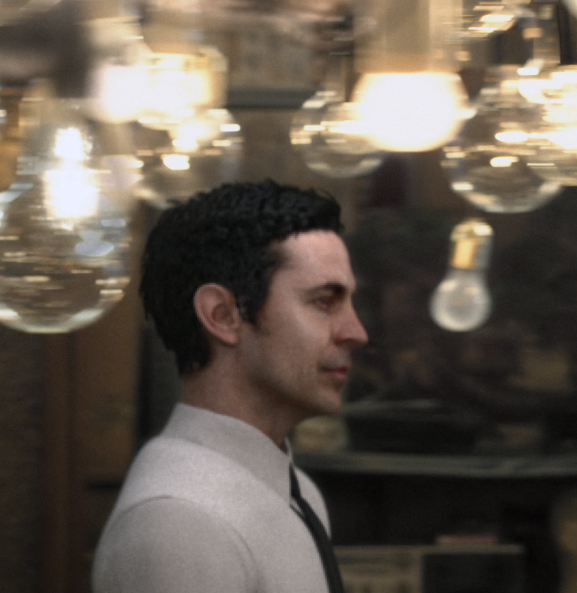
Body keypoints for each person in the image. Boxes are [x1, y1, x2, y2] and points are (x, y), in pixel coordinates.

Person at [92, 181, 369, 593]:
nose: (356, 332)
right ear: (223, 315)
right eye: (323, 302)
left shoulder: (295, 490)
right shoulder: (179, 522)